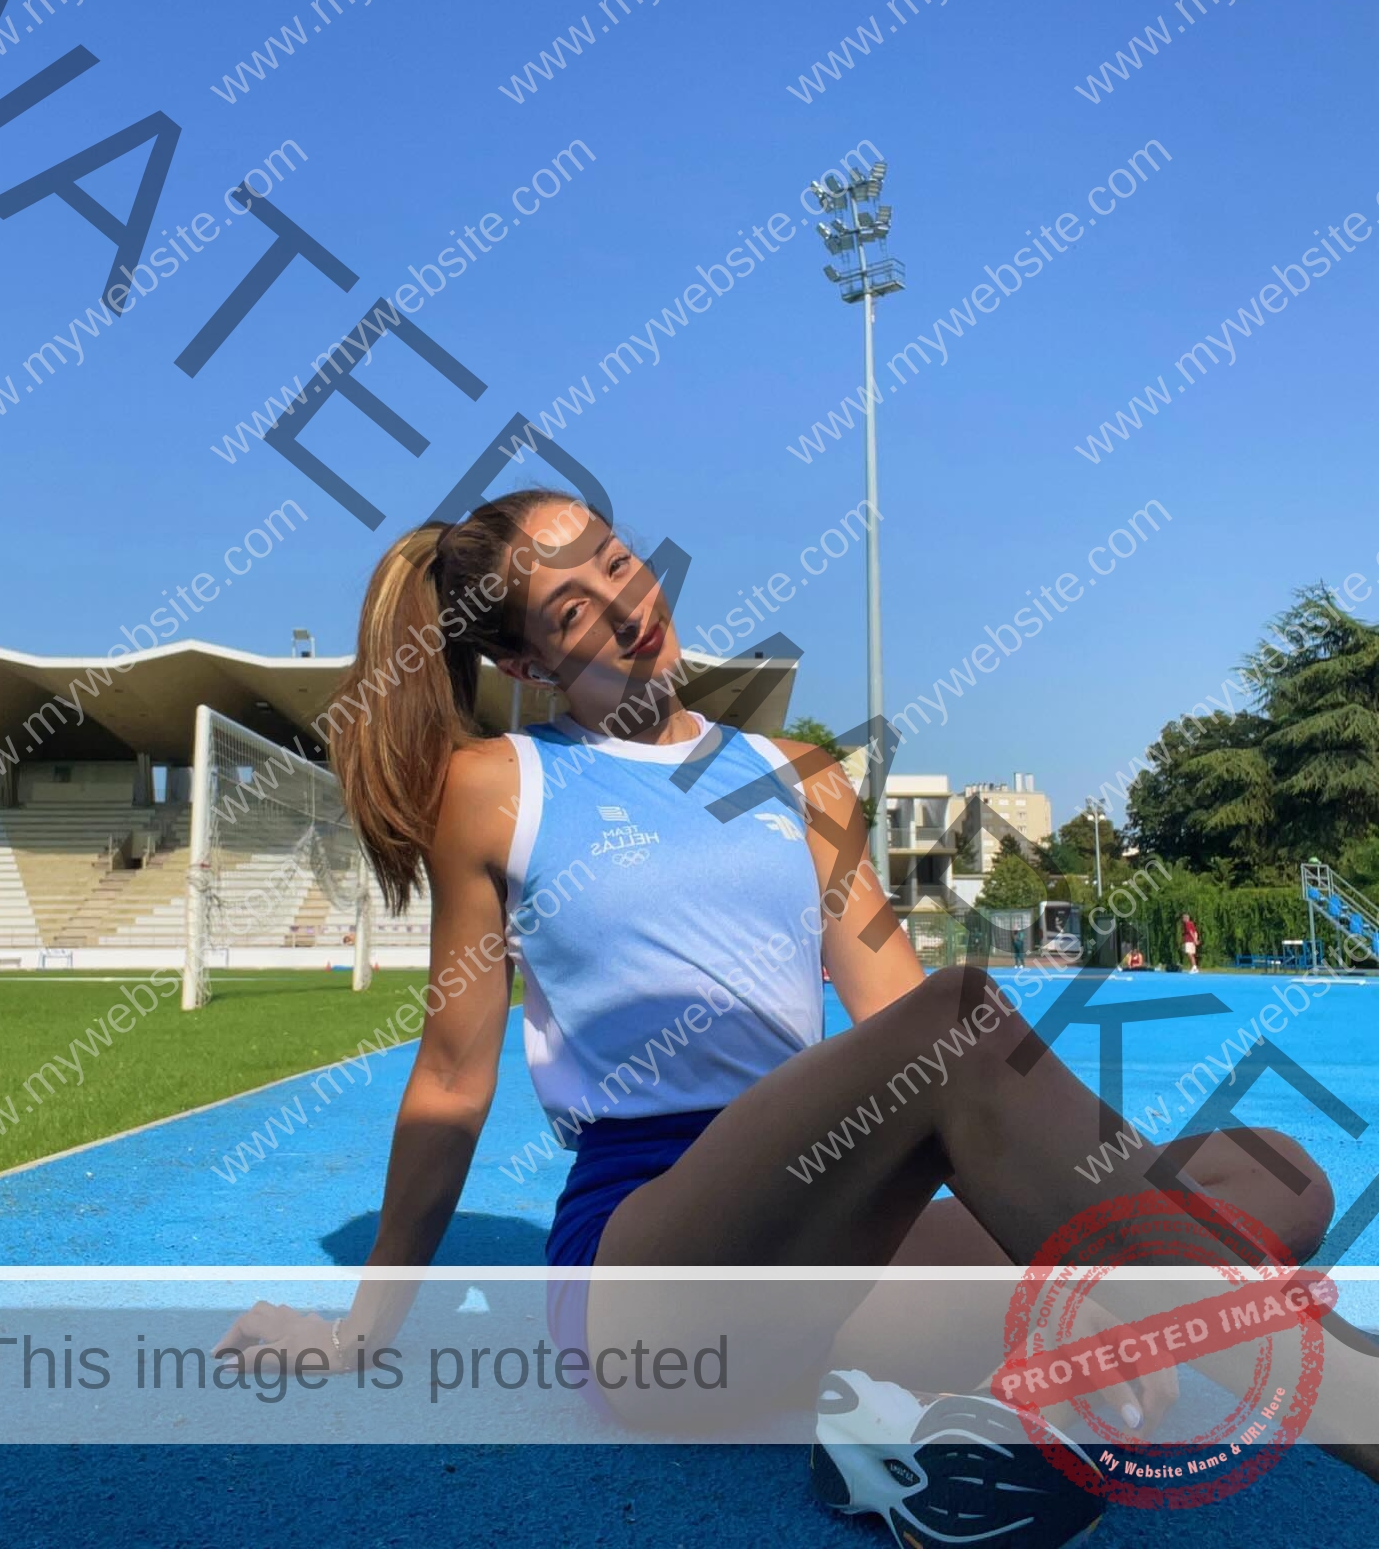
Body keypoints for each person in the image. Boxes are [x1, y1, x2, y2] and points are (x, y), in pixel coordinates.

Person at [216, 491, 1377, 1529]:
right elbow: (452, 1080)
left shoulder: (804, 776)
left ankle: (972, 1392)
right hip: (658, 1276)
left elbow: (891, 1020)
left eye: (617, 564)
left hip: (841, 1242)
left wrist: (1092, 1233)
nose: (622, 608)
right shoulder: (499, 788)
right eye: (569, 613)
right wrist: (360, 1329)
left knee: (1276, 1177)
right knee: (963, 1024)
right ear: (526, 662)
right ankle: (1352, 1400)